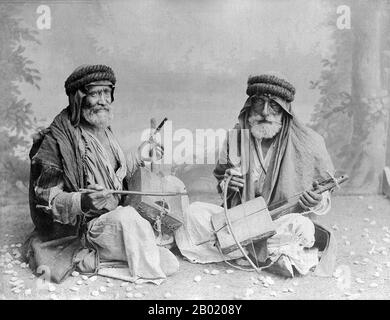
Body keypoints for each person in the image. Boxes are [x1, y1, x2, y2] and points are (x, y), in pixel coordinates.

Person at [25, 64, 178, 284]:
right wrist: (82, 201)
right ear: (78, 98)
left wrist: (144, 154)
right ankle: (94, 256)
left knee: (170, 191)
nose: (103, 100)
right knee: (138, 231)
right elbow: (45, 201)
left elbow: (117, 175)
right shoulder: (56, 141)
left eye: (107, 92)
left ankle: (132, 246)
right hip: (87, 228)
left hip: (116, 214)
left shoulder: (103, 129)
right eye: (95, 93)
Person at [174, 74, 337, 277]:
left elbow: (324, 195)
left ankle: (238, 251)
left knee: (302, 228)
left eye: (274, 106)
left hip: (279, 222)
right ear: (250, 106)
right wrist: (228, 185)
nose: (265, 112)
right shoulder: (236, 137)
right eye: (259, 102)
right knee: (194, 213)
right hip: (239, 221)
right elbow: (221, 182)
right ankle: (272, 256)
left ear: (285, 111)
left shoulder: (310, 143)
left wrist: (317, 201)